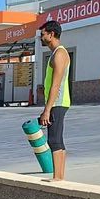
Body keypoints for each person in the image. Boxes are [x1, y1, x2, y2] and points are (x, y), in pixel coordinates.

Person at [39, 20, 71, 181]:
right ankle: (59, 176)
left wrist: (47, 110)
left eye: (42, 34)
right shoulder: (56, 53)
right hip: (57, 103)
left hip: (58, 103)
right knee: (57, 139)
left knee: (54, 140)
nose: (40, 37)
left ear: (51, 34)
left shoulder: (59, 54)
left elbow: (56, 85)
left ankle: (58, 177)